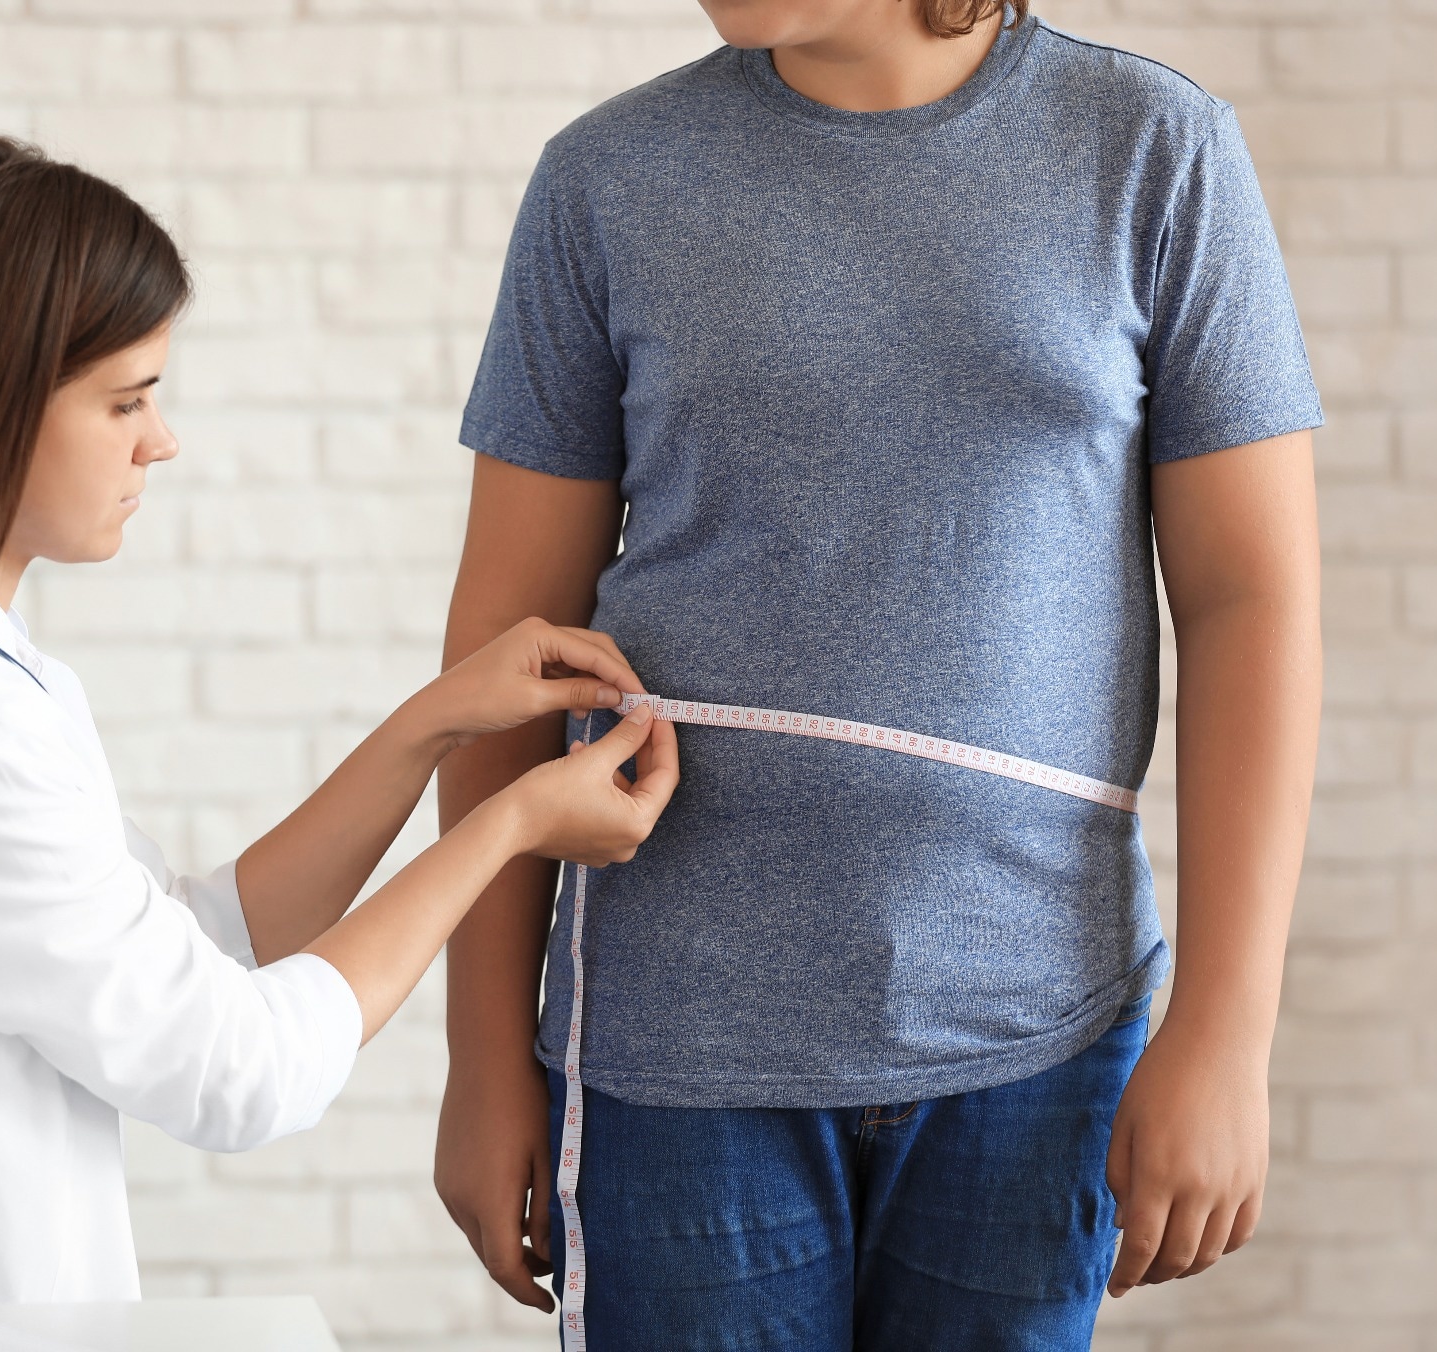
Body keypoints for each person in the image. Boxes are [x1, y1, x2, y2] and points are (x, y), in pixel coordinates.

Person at [0, 136, 679, 1309]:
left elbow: (194, 939)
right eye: (125, 399)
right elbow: (240, 1068)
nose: (158, 441)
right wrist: (506, 823)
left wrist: (428, 727)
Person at [434, 0, 1323, 1346]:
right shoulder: (605, 183)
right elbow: (507, 650)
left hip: (1040, 1042)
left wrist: (1228, 1030)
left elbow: (1250, 600)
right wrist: (483, 1053)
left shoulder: (1156, 153)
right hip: (676, 1058)